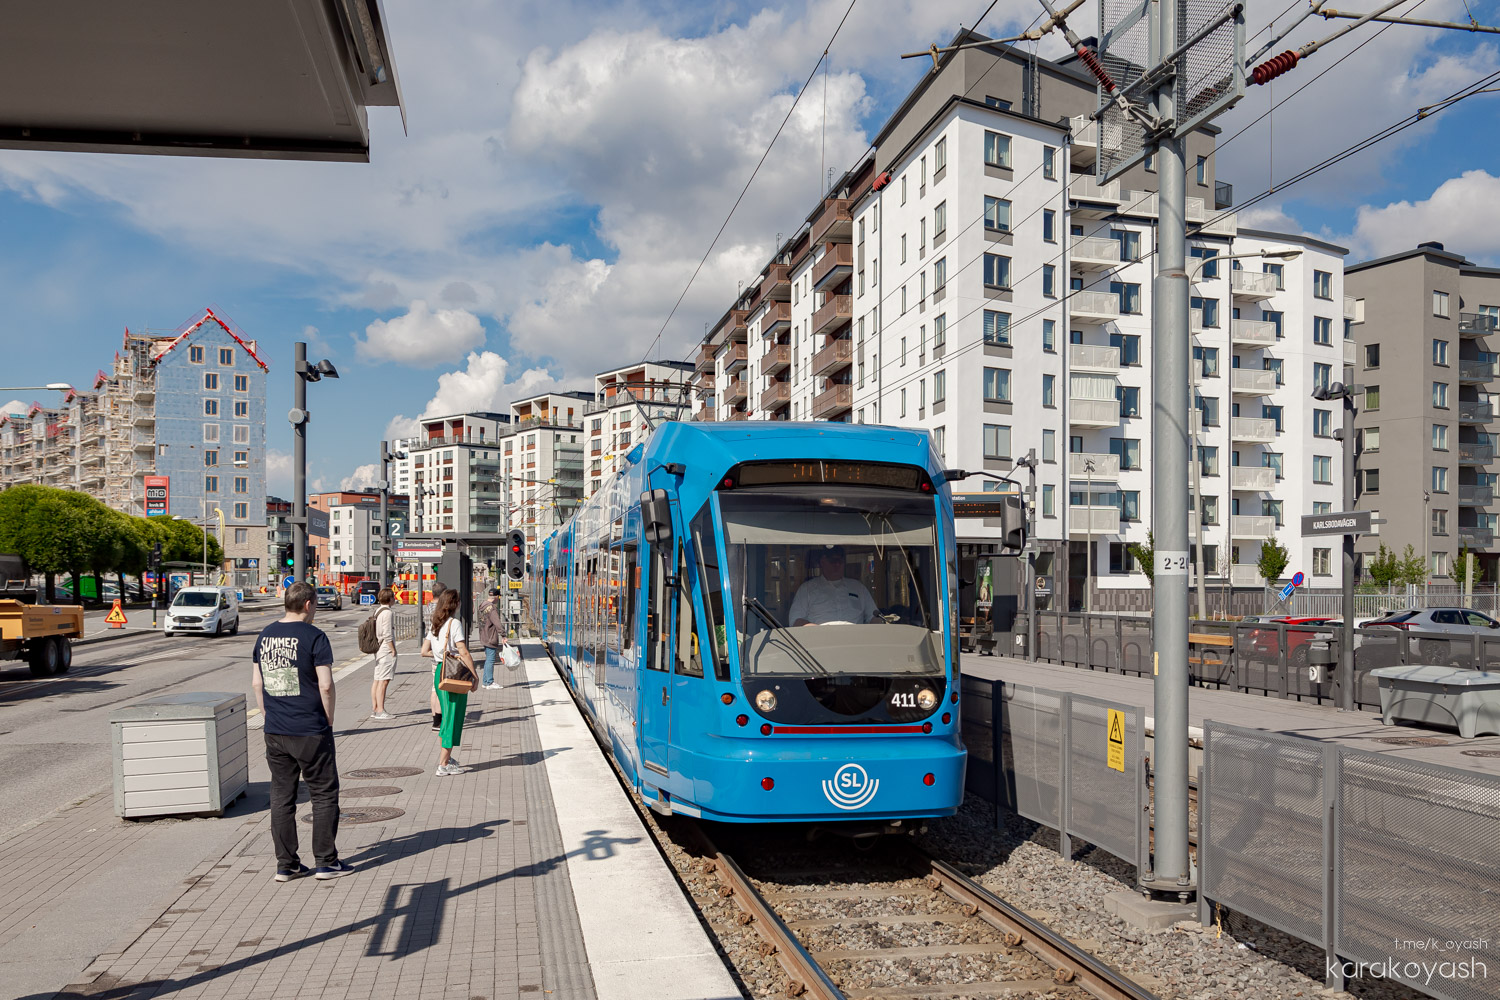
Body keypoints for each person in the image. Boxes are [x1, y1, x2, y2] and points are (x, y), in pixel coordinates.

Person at [251, 581, 354, 882]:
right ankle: (326, 861)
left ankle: (287, 865)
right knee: (323, 793)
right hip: (310, 727)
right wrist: (329, 719)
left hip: (275, 729)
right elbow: (325, 684)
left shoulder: (265, 635)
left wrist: (269, 714)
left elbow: (258, 683)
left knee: (282, 796)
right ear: (309, 604)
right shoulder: (315, 636)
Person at [422, 589, 477, 776]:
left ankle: (447, 759)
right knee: (452, 718)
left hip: (440, 671)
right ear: (455, 604)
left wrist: (440, 655)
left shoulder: (435, 624)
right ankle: (443, 765)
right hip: (453, 673)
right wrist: (474, 675)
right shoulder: (454, 624)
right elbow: (463, 651)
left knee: (447, 717)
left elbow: (424, 650)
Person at [788, 545, 883, 626]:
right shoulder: (807, 589)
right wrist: (819, 632)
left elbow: (873, 616)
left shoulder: (858, 588)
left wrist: (885, 624)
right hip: (819, 642)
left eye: (840, 561)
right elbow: (796, 620)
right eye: (833, 560)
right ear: (823, 562)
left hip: (855, 641)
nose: (837, 564)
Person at [369, 587, 398, 719]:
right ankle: (381, 710)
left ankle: (375, 708)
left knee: (377, 679)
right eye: (393, 597)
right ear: (390, 598)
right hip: (385, 649)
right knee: (384, 681)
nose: (394, 599)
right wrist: (393, 649)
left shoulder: (378, 611)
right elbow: (387, 634)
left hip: (378, 649)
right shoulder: (388, 613)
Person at [427, 582, 448, 731]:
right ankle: (439, 720)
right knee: (439, 689)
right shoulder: (439, 611)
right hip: (439, 652)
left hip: (432, 650)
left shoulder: (427, 607)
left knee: (434, 688)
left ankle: (435, 718)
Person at [478, 587, 505, 690]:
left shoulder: (482, 605)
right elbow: (497, 622)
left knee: (488, 659)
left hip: (483, 635)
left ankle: (485, 682)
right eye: (499, 597)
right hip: (490, 636)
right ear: (496, 597)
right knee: (490, 659)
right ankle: (489, 682)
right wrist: (503, 634)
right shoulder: (491, 608)